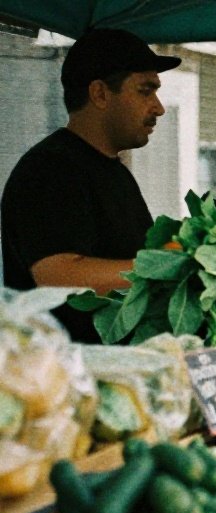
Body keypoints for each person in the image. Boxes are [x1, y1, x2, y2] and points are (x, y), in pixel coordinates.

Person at [1, 29, 179, 343]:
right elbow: (58, 277)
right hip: (67, 378)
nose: (158, 107)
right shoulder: (50, 169)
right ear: (99, 94)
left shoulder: (111, 168)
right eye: (145, 91)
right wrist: (163, 263)